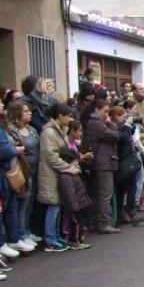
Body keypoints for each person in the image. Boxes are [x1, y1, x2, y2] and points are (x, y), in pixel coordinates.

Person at [37, 104, 78, 252]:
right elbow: (51, 157)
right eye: (68, 115)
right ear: (60, 116)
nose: (70, 118)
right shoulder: (49, 132)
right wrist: (69, 168)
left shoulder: (61, 130)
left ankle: (55, 236)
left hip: (59, 173)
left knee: (58, 205)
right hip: (50, 174)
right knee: (53, 205)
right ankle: (50, 240)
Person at [7, 102, 43, 247]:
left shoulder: (32, 129)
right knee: (22, 203)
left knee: (30, 203)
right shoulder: (12, 131)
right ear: (17, 114)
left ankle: (27, 230)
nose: (29, 113)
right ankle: (21, 233)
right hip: (22, 171)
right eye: (26, 111)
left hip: (35, 170)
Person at [83, 99, 120, 234]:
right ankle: (103, 222)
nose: (106, 114)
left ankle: (96, 221)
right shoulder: (96, 124)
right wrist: (111, 123)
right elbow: (114, 136)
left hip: (102, 162)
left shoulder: (94, 123)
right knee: (105, 194)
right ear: (96, 110)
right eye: (105, 111)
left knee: (100, 193)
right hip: (103, 163)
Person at [110, 105, 144, 226]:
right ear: (113, 117)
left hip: (128, 160)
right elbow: (123, 138)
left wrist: (131, 126)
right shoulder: (113, 127)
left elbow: (130, 134)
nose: (123, 118)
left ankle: (132, 214)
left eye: (124, 115)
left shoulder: (122, 127)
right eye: (120, 115)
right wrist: (127, 126)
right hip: (121, 161)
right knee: (121, 190)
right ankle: (122, 214)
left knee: (131, 187)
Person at [57, 147, 92, 250]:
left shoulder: (73, 173)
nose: (78, 162)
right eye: (76, 160)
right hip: (75, 205)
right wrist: (74, 206)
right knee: (76, 225)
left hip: (80, 202)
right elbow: (69, 193)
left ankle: (79, 238)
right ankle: (75, 241)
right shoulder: (66, 176)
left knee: (79, 223)